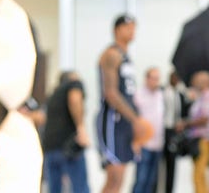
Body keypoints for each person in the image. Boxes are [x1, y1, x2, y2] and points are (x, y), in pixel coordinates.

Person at [96, 13, 144, 193]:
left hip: (125, 121)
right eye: (128, 26)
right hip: (112, 119)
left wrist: (136, 118)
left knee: (121, 176)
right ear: (117, 30)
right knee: (114, 176)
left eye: (134, 27)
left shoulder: (126, 57)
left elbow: (128, 93)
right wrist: (136, 120)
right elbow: (111, 93)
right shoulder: (111, 54)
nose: (132, 31)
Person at [42, 71, 90, 193]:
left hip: (50, 148)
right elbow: (74, 99)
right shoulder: (73, 85)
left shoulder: (52, 96)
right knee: (80, 188)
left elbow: (42, 117)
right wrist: (81, 128)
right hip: (69, 146)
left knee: (54, 189)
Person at [177, 70, 209, 193]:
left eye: (196, 80)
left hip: (203, 140)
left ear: (204, 82)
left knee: (199, 175)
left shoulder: (207, 97)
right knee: (197, 175)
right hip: (197, 140)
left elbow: (205, 119)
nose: (193, 82)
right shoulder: (200, 97)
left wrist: (186, 123)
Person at [132, 67, 165, 193]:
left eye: (158, 79)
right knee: (141, 179)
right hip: (143, 144)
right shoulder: (138, 95)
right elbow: (133, 120)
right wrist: (135, 141)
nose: (156, 81)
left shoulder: (160, 95)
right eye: (154, 78)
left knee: (151, 181)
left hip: (158, 144)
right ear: (147, 79)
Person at [162, 70, 187, 193]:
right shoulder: (162, 92)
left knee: (172, 164)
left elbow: (184, 113)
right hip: (162, 130)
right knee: (158, 164)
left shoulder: (181, 95)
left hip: (174, 131)